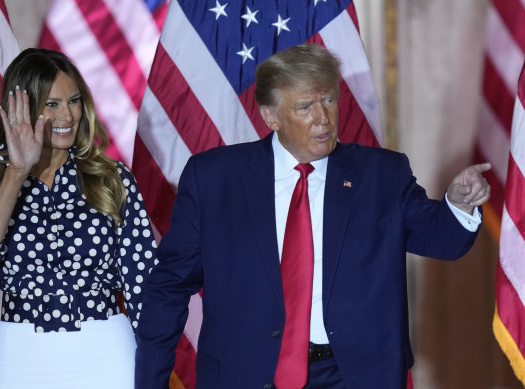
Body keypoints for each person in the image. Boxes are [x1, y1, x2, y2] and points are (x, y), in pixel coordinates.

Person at [134, 43, 491, 388]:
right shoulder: (213, 179)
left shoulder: (381, 174)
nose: (323, 118)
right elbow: (169, 287)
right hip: (246, 372)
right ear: (271, 116)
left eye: (330, 100)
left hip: (353, 375)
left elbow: (441, 238)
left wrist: (458, 203)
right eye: (305, 107)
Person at [0, 48, 157, 389]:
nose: (68, 115)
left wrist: (155, 365)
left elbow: (143, 283)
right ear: (23, 110)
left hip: (107, 350)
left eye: (74, 101)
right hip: (22, 354)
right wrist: (17, 172)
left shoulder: (112, 178)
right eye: (52, 104)